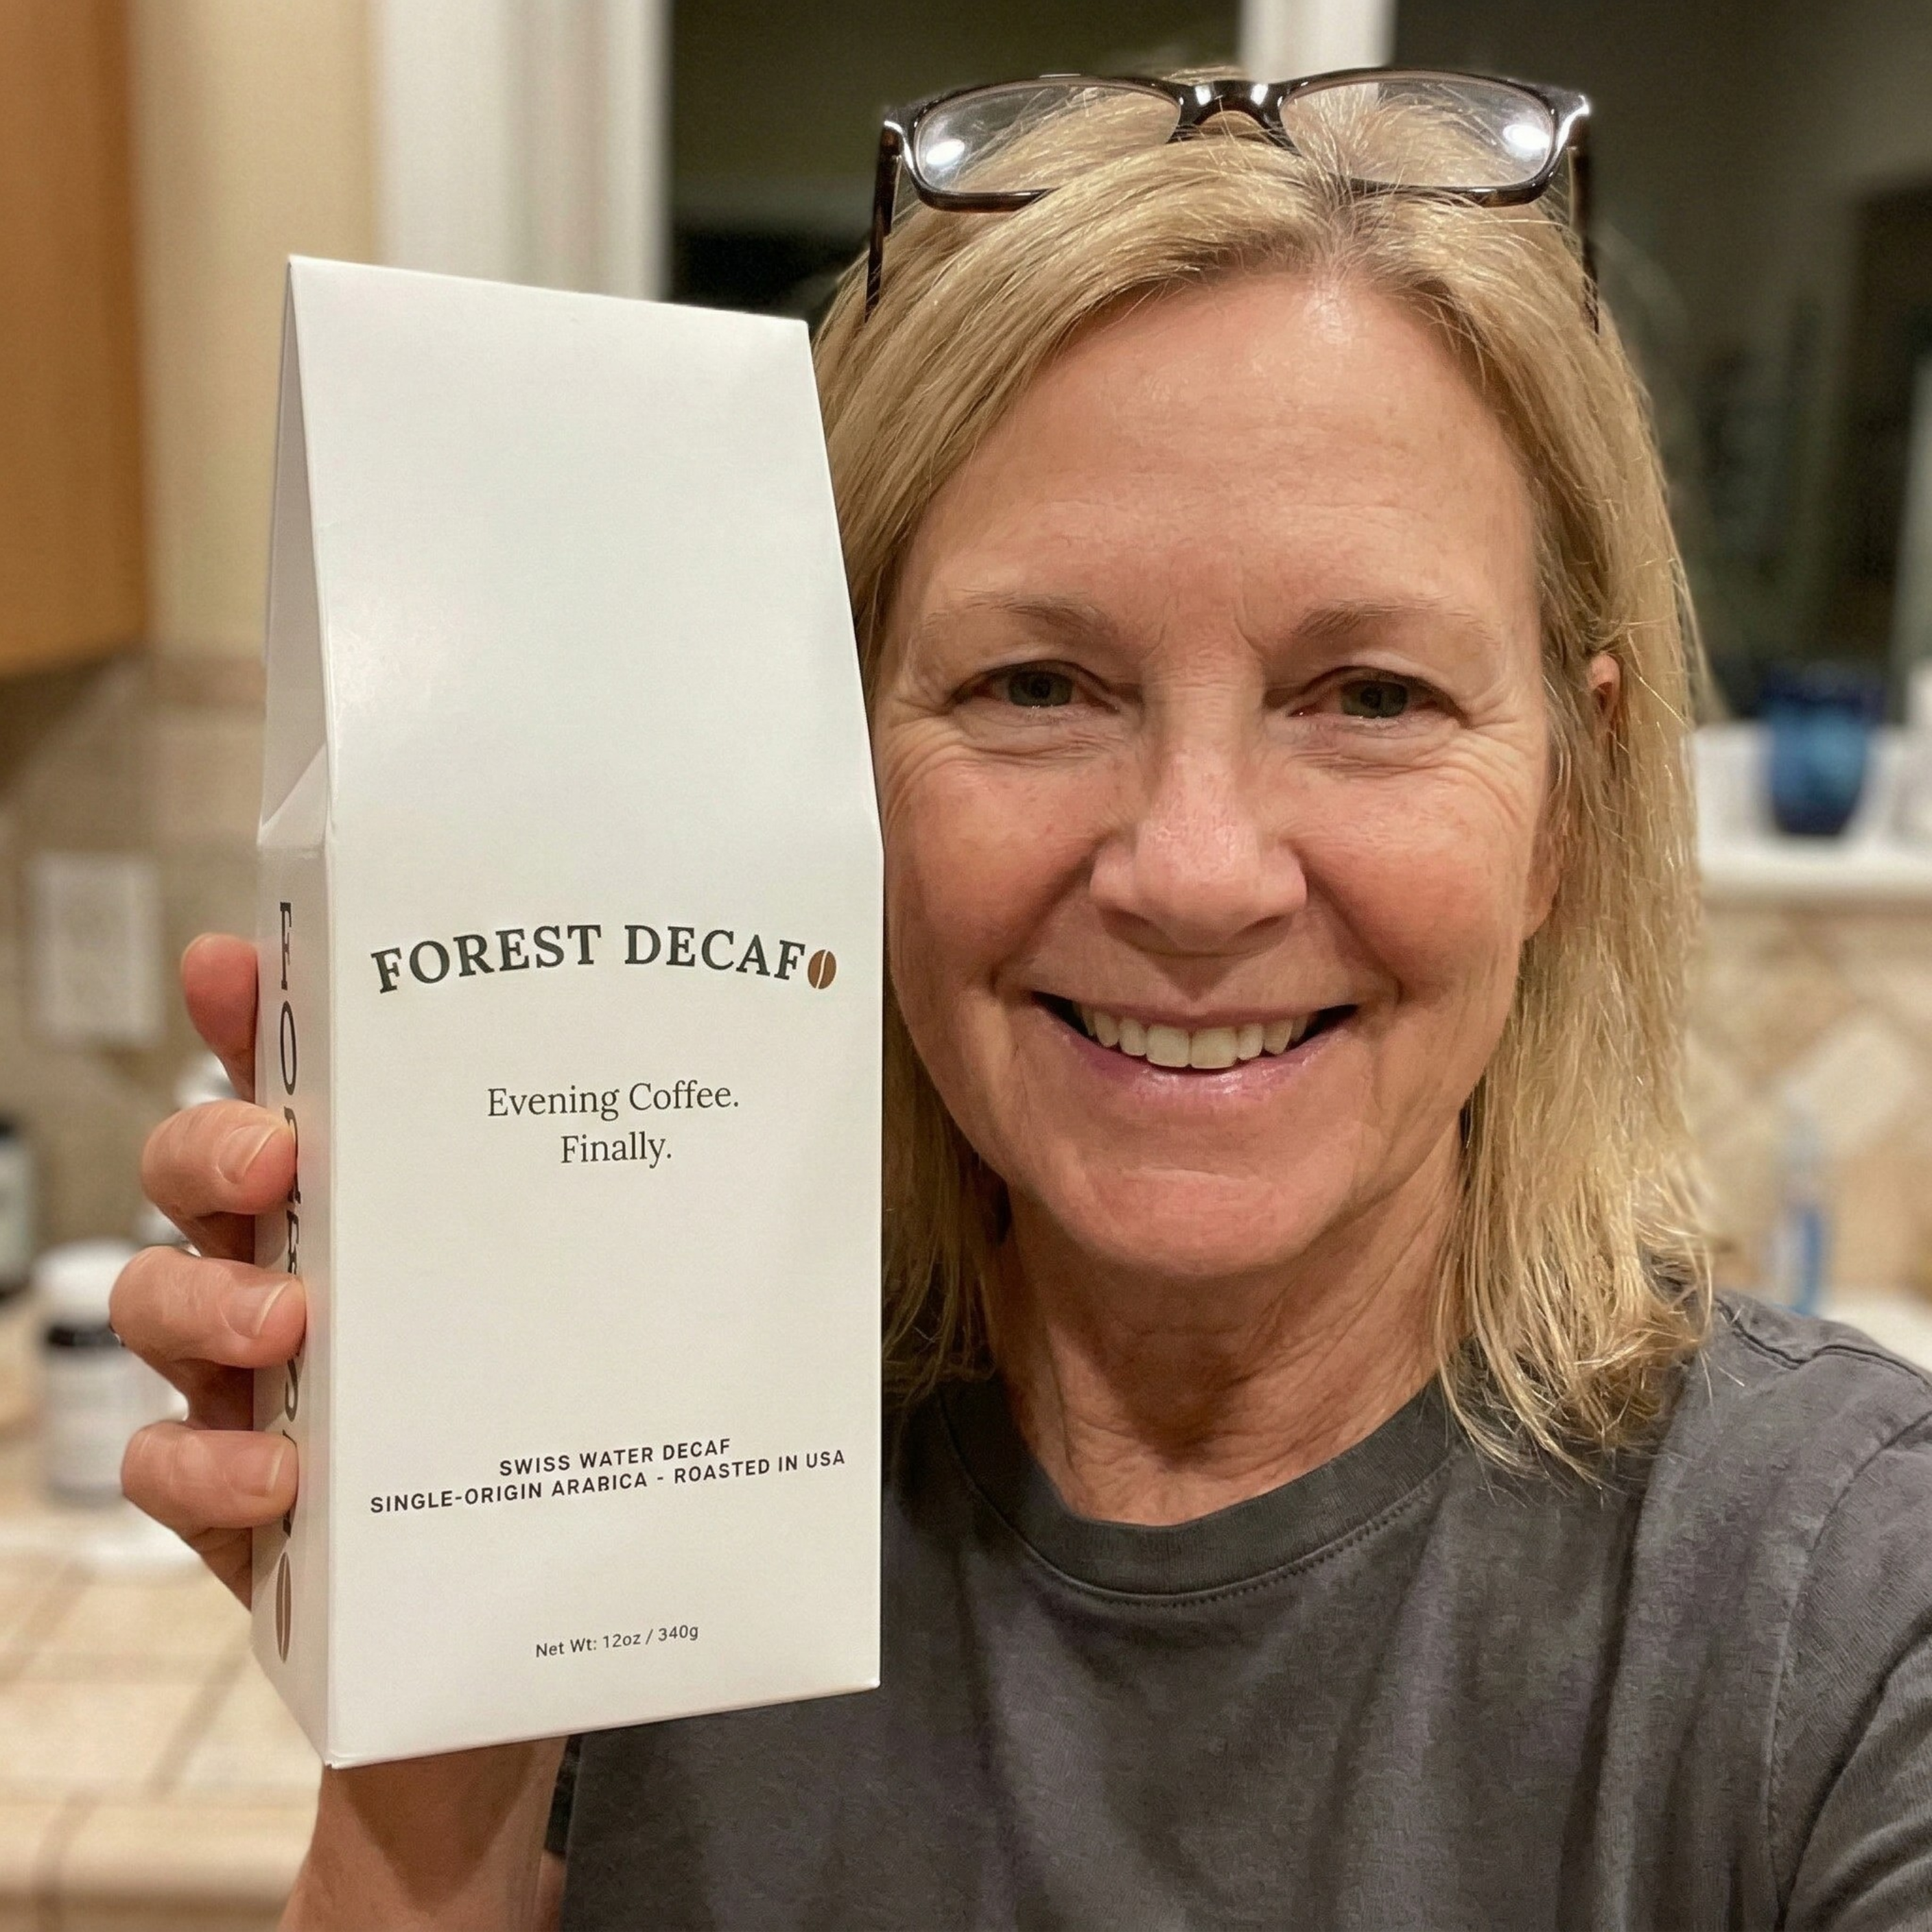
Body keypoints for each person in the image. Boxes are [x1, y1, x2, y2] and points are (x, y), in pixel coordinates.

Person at [114, 71, 1932, 1930]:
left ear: (1570, 801)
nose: (1197, 873)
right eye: (1038, 687)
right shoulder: (649, 1491)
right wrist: (428, 1674)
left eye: (1374, 697)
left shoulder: (1852, 1611)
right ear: (831, 773)